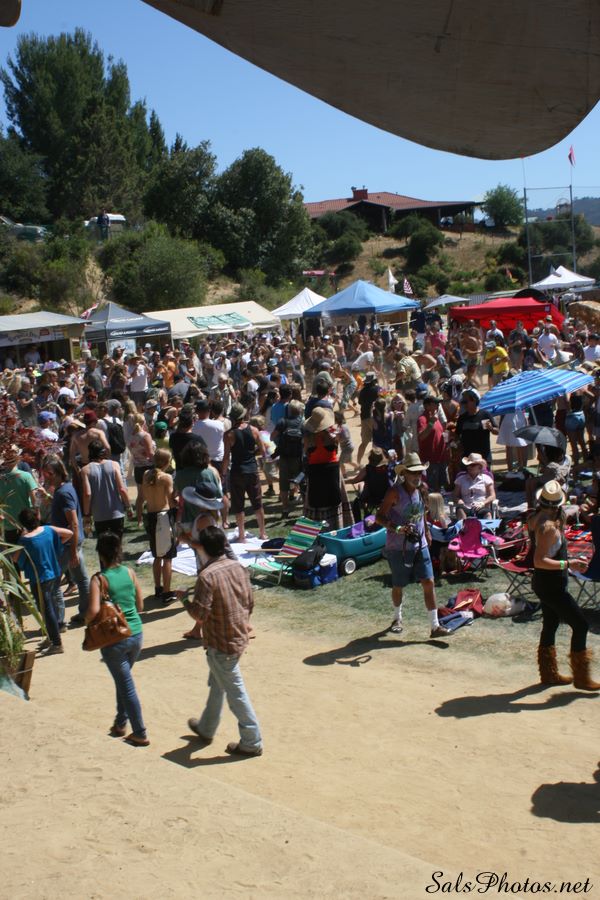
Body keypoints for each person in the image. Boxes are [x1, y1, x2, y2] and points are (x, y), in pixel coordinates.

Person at [184, 526, 263, 756]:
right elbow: (250, 602)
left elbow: (199, 615)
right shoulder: (238, 567)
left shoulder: (207, 576)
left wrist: (184, 600)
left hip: (220, 643)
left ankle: (252, 741)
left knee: (235, 692)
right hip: (238, 637)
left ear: (203, 548)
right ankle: (206, 728)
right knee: (218, 683)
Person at [528, 481, 599, 690]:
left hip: (545, 583)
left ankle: (549, 674)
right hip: (551, 584)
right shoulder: (548, 528)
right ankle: (581, 677)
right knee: (581, 625)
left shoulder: (536, 518)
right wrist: (569, 563)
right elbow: (539, 561)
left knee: (550, 624)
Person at [375, 452, 451, 639]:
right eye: (413, 472)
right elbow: (379, 517)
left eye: (419, 472)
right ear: (404, 474)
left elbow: (422, 512)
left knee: (429, 581)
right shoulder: (394, 493)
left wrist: (426, 531)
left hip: (420, 544)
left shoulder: (422, 489)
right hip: (398, 547)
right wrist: (397, 528)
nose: (417, 476)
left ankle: (435, 627)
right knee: (398, 584)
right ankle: (397, 618)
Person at [87, 530, 149, 745]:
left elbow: (93, 611)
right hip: (136, 634)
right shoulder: (130, 572)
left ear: (100, 554)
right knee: (123, 682)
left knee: (126, 686)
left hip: (114, 639)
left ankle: (140, 732)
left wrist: (87, 621)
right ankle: (120, 723)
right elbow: (140, 606)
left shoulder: (99, 579)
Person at [15, 507, 73, 655]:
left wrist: (21, 536)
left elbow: (15, 558)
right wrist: (54, 547)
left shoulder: (25, 540)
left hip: (39, 579)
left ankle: (57, 643)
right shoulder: (47, 530)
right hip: (53, 573)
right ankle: (51, 637)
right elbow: (69, 534)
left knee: (46, 609)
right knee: (50, 606)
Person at [42, 454, 90, 627]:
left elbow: (74, 523)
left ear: (56, 473)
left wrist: (72, 551)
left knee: (54, 583)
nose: (45, 478)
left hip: (67, 545)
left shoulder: (63, 493)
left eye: (47, 474)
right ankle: (85, 614)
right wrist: (49, 498)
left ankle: (59, 622)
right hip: (71, 544)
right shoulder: (64, 489)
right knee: (82, 580)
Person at [223, 403, 267, 541]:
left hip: (237, 471)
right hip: (252, 469)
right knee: (257, 503)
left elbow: (226, 457)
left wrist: (223, 473)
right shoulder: (254, 430)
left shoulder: (229, 434)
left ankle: (242, 536)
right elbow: (263, 451)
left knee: (238, 504)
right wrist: (252, 454)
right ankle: (262, 533)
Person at [143, 448, 178, 603]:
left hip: (151, 516)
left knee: (157, 556)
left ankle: (158, 588)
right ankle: (167, 592)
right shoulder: (166, 477)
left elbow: (142, 497)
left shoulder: (146, 474)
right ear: (167, 462)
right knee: (168, 558)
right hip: (163, 517)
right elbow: (171, 501)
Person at [80, 440, 131, 537]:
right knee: (117, 543)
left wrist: (87, 515)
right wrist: (128, 506)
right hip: (116, 513)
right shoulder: (115, 465)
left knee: (103, 544)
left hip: (99, 516)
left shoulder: (85, 470)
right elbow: (122, 489)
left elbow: (87, 494)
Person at [453, 452, 496, 519]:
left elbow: (492, 496)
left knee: (487, 514)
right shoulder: (460, 479)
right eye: (468, 465)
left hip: (480, 506)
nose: (469, 467)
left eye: (472, 465)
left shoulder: (486, 479)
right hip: (465, 506)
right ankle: (464, 525)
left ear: (479, 467)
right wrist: (459, 501)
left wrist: (483, 503)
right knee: (460, 510)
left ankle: (487, 526)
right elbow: (455, 496)